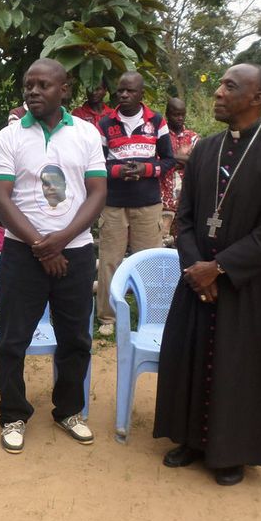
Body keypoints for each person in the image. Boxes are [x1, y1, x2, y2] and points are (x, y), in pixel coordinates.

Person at [154, 63, 261, 487]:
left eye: (229, 86)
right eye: (219, 83)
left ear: (256, 98)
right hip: (196, 278)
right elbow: (183, 218)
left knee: (239, 366)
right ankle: (190, 439)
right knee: (192, 355)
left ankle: (232, 451)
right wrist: (196, 268)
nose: (218, 92)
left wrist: (218, 269)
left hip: (247, 283)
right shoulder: (205, 150)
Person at [0, 58, 108, 454]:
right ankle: (14, 414)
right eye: (28, 85)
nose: (33, 91)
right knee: (12, 339)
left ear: (65, 89)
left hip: (74, 254)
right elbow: (1, 199)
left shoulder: (87, 134)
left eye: (42, 85)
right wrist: (43, 247)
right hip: (22, 255)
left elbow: (97, 193)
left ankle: (69, 410)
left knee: (76, 338)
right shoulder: (9, 136)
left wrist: (61, 241)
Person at [94, 71, 175, 336]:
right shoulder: (106, 124)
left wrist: (145, 170)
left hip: (147, 203)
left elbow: (168, 160)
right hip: (114, 203)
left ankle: (151, 315)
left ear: (141, 94)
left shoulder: (157, 121)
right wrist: (119, 172)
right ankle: (107, 318)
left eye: (130, 91)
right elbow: (96, 164)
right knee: (109, 260)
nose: (124, 95)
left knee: (147, 261)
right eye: (120, 91)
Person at [160, 97, 199, 246]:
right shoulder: (160, 136)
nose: (180, 118)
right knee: (160, 244)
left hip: (186, 201)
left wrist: (169, 158)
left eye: (183, 114)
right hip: (162, 200)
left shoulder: (193, 137)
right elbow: (156, 162)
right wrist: (182, 159)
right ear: (167, 114)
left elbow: (197, 161)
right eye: (176, 114)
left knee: (183, 244)